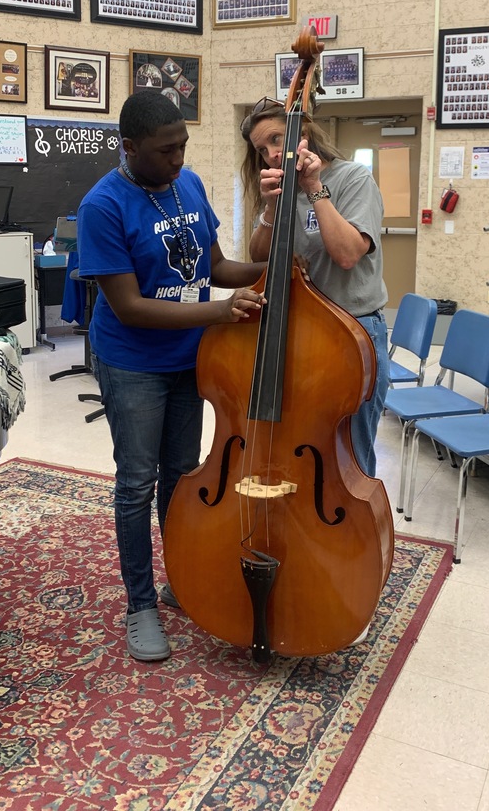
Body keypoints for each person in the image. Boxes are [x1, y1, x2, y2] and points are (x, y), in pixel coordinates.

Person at [78, 92, 265, 663]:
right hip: (131, 362)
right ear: (130, 148)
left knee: (182, 476)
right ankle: (140, 605)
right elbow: (130, 307)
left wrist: (273, 265)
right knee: (136, 483)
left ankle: (178, 578)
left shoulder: (189, 186)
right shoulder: (103, 206)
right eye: (166, 151)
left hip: (189, 360)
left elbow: (216, 268)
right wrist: (217, 310)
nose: (179, 159)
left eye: (183, 146)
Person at [240, 97, 389, 478]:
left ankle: (353, 533)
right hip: (300, 330)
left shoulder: (354, 178)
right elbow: (258, 257)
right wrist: (271, 208)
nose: (272, 154)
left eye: (276, 139)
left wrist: (313, 187)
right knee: (301, 440)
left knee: (349, 449)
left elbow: (347, 255)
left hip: (352, 330)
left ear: (301, 132)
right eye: (262, 149)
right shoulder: (279, 188)